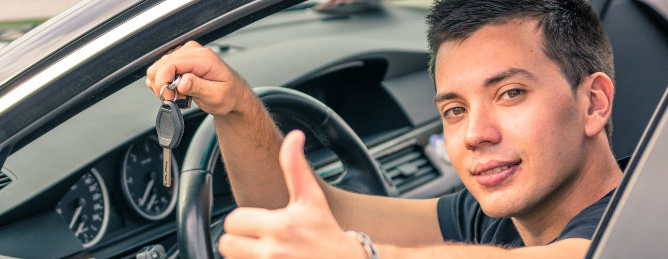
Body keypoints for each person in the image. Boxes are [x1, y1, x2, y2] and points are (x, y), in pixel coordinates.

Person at [145, 0, 623, 257]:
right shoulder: (493, 222)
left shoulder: (644, 223)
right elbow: (301, 214)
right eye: (454, 109)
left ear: (593, 102)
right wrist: (235, 107)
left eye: (510, 93)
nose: (476, 132)